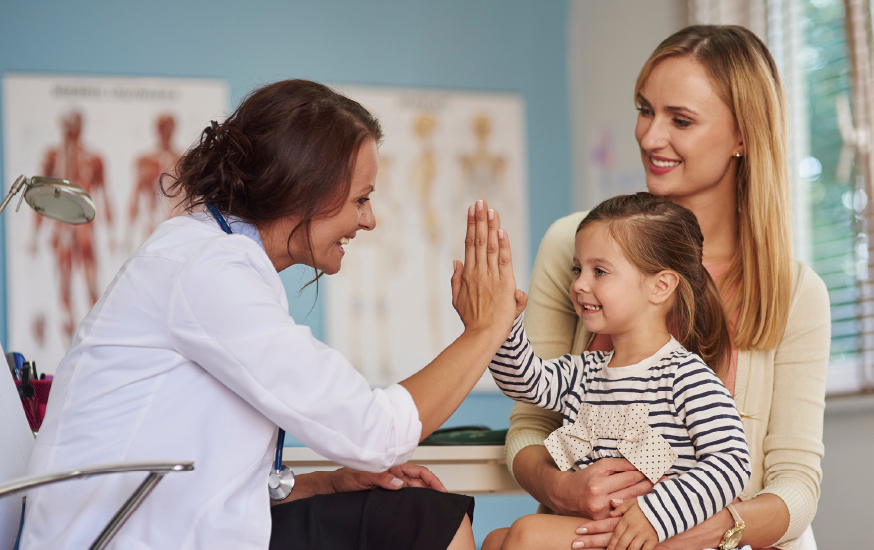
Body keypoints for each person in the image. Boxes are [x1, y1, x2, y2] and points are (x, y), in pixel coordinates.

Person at [20, 80, 524, 550]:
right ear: (306, 190)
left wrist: (327, 483)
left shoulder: (215, 258)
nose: (368, 219)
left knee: (415, 513)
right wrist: (485, 330)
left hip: (160, 527)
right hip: (113, 539)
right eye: (361, 199)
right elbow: (376, 434)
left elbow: (215, 479)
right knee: (423, 521)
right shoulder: (208, 271)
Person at [501, 25, 830, 550]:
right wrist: (562, 487)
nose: (650, 137)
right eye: (644, 109)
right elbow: (528, 422)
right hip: (591, 532)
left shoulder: (794, 291)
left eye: (680, 120)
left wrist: (695, 528)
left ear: (743, 136)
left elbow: (795, 485)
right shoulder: (574, 245)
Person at [485, 193, 751, 550]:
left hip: (657, 537)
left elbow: (732, 463)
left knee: (525, 535)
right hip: (605, 532)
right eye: (577, 269)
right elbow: (523, 382)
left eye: (600, 271)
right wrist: (499, 322)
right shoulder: (585, 372)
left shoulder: (686, 377)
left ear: (660, 287)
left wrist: (654, 515)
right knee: (494, 540)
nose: (580, 284)